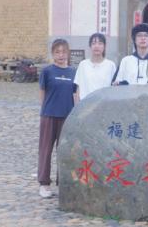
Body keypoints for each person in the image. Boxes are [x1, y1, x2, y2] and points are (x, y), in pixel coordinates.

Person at [38, 39, 77, 198]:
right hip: (49, 115)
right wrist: (44, 111)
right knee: (45, 150)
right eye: (57, 52)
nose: (61, 55)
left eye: (63, 52)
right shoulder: (47, 71)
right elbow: (42, 93)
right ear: (53, 54)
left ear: (68, 53)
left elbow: (75, 93)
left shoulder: (73, 72)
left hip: (67, 116)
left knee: (64, 151)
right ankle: (44, 183)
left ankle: (63, 182)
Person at [74, 32, 117, 101]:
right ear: (90, 46)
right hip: (86, 104)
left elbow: (114, 89)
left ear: (104, 46)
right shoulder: (83, 65)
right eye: (93, 43)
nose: (97, 46)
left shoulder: (110, 65)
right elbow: (78, 88)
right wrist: (77, 106)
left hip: (104, 104)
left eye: (100, 43)